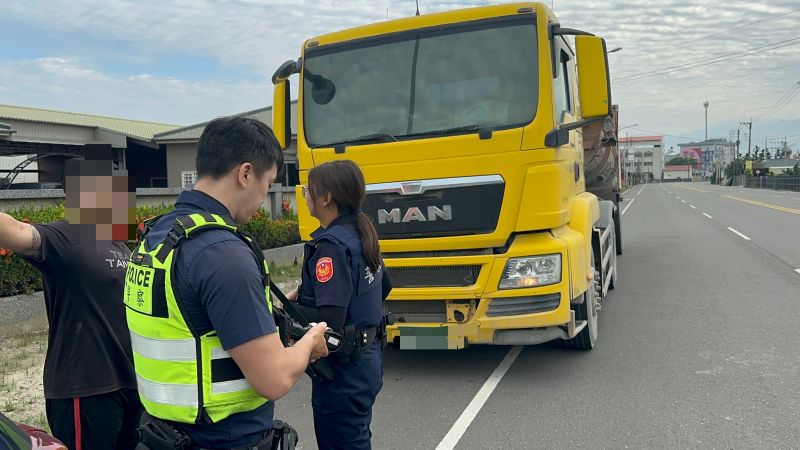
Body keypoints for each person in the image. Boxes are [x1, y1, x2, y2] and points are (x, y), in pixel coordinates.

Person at [126, 116, 328, 450]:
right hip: (222, 439)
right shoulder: (223, 253)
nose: (263, 200)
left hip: (160, 433)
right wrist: (310, 344)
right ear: (245, 174)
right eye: (268, 184)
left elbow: (190, 324)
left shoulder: (157, 236)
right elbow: (275, 379)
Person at [0, 150, 142, 450]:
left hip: (129, 383)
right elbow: (16, 231)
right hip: (85, 388)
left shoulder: (120, 244)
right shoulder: (63, 237)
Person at [285, 159, 389, 450]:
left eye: (309, 190)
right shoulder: (360, 232)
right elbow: (383, 286)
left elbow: (330, 321)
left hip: (343, 375)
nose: (306, 196)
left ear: (326, 198)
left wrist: (281, 312)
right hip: (367, 362)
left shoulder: (331, 246)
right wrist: (302, 293)